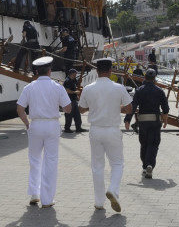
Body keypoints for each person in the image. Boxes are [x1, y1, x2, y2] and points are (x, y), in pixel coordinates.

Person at [16, 57, 72, 208]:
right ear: (49, 71)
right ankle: (47, 200)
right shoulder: (57, 87)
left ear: (35, 72)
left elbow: (20, 109)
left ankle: (35, 193)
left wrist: (27, 124)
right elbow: (68, 108)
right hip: (52, 125)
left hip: (35, 125)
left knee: (35, 160)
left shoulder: (29, 87)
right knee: (51, 161)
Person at [78, 58, 132, 212]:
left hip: (95, 129)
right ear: (111, 71)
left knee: (97, 166)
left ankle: (99, 202)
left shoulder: (88, 88)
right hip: (112, 129)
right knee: (117, 163)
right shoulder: (119, 87)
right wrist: (116, 107)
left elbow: (81, 109)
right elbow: (129, 109)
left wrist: (95, 107)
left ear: (96, 71)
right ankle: (113, 190)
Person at [124, 69, 169, 179]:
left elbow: (133, 106)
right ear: (155, 78)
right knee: (153, 144)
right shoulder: (160, 91)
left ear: (145, 77)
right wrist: (165, 120)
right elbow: (165, 108)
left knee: (144, 144)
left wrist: (127, 119)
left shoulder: (139, 90)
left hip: (143, 122)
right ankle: (149, 165)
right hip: (155, 121)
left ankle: (145, 166)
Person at [63, 69, 87, 133]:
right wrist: (75, 92)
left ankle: (78, 127)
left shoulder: (74, 80)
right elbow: (67, 90)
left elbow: (78, 85)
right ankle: (67, 128)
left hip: (74, 100)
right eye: (75, 73)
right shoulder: (67, 81)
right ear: (72, 74)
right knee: (69, 115)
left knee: (77, 114)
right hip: (69, 100)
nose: (76, 75)